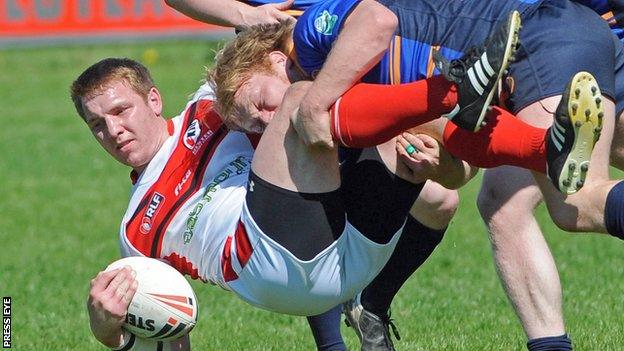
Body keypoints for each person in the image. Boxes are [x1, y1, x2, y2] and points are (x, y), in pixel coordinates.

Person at [209, 0, 623, 348]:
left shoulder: (310, 38)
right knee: (501, 202)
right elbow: (460, 169)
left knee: (576, 205)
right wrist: (433, 164)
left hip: (540, 36)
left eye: (262, 103)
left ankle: (532, 137)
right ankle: (527, 135)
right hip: (562, 42)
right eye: (258, 125)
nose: (270, 119)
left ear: (276, 59)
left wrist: (314, 105)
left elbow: (378, 19)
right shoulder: (348, 99)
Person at [74, 54, 496, 350]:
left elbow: (270, 51)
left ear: (153, 99)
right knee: (301, 99)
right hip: (271, 269)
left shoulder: (208, 104)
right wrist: (108, 332)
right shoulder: (135, 231)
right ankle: (454, 92)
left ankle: (372, 303)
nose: (112, 130)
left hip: (346, 252)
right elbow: (170, 337)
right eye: (96, 124)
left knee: (434, 190)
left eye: (120, 111)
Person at [164, 0, 464, 349]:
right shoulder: (282, 68)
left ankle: (371, 306)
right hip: (300, 88)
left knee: (441, 200)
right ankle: (331, 343)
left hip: (341, 87)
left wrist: (444, 165)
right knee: (309, 175)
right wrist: (248, 15)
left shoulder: (385, 43)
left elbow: (461, 163)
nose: (265, 120)